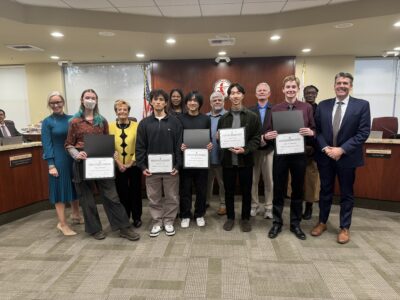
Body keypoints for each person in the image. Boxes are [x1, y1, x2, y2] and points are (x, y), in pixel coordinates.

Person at [64, 89, 140, 241]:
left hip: (103, 163)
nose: (90, 100)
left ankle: (123, 227)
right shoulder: (74, 121)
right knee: (87, 199)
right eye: (87, 97)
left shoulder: (102, 121)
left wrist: (112, 154)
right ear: (82, 100)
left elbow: (108, 142)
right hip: (82, 164)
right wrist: (76, 154)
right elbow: (68, 144)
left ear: (96, 101)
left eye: (93, 98)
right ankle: (95, 229)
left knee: (112, 196)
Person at [311, 72, 371, 244]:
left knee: (346, 193)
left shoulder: (361, 105)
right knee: (325, 191)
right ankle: (322, 222)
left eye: (345, 83)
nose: (342, 86)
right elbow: (318, 130)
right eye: (339, 83)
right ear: (334, 85)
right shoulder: (323, 105)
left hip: (347, 158)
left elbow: (363, 133)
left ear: (350, 86)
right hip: (326, 157)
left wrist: (342, 150)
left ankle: (344, 227)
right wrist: (325, 148)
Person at [267, 75, 315, 240]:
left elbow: (314, 129)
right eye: (287, 87)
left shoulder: (306, 108)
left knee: (297, 189)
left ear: (298, 88)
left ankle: (295, 223)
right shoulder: (275, 109)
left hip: (299, 155)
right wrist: (268, 135)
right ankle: (277, 222)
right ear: (283, 89)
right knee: (278, 189)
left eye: (293, 87)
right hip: (281, 154)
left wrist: (311, 132)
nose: (290, 89)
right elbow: (267, 131)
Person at [136, 89, 183, 237]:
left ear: (166, 102)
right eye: (155, 99)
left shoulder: (175, 122)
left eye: (162, 100)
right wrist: (142, 166)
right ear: (151, 102)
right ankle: (157, 222)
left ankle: (168, 221)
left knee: (172, 196)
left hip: (171, 169)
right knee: (153, 197)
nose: (158, 102)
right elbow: (140, 147)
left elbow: (179, 145)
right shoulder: (144, 123)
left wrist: (177, 165)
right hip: (151, 169)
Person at [217, 83, 261, 232]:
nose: (235, 96)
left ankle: (245, 218)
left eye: (238, 93)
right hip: (228, 161)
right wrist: (218, 138)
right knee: (228, 190)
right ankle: (230, 217)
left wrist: (245, 149)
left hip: (245, 161)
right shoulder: (223, 118)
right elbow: (221, 139)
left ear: (242, 95)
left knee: (246, 191)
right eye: (232, 93)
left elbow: (256, 138)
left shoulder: (252, 117)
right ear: (229, 97)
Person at [41, 91, 83, 236]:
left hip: (72, 157)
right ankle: (62, 224)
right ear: (49, 105)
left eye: (58, 102)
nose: (56, 105)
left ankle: (76, 215)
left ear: (63, 102)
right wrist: (51, 165)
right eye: (53, 103)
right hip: (58, 159)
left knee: (74, 186)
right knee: (59, 190)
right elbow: (47, 144)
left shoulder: (72, 118)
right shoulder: (47, 122)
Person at [178, 91, 212, 228]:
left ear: (199, 103)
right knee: (185, 189)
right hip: (186, 160)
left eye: (195, 100)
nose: (192, 103)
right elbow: (177, 137)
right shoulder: (180, 118)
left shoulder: (205, 119)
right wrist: (180, 144)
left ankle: (199, 214)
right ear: (186, 103)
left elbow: (207, 137)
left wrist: (209, 144)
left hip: (201, 160)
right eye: (190, 101)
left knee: (201, 189)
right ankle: (185, 215)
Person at [109, 99, 143, 228]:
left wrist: (132, 162)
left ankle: (137, 217)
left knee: (135, 191)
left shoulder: (137, 125)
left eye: (125, 109)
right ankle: (124, 217)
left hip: (134, 165)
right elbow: (109, 146)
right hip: (118, 166)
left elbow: (140, 145)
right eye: (119, 109)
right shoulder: (110, 126)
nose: (122, 111)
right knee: (121, 192)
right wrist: (118, 163)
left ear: (128, 111)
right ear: (116, 112)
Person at [249, 82, 274, 219]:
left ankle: (269, 207)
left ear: (269, 93)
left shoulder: (275, 109)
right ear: (256, 93)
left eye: (265, 90)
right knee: (253, 180)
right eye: (259, 90)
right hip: (254, 150)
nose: (262, 92)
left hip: (269, 149)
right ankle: (254, 206)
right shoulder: (249, 110)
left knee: (269, 179)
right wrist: (260, 138)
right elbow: (247, 131)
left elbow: (278, 128)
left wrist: (267, 138)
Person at [206, 91, 226, 215]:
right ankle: (206, 201)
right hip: (206, 157)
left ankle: (223, 204)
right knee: (206, 182)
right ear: (210, 103)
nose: (217, 102)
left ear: (223, 102)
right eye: (214, 100)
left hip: (221, 157)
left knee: (222, 183)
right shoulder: (204, 117)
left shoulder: (228, 116)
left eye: (219, 100)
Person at [302, 85, 320, 220]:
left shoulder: (321, 110)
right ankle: (296, 205)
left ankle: (309, 207)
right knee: (296, 181)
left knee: (311, 181)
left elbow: (322, 130)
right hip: (297, 149)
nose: (310, 95)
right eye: (307, 92)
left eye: (313, 93)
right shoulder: (299, 108)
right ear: (303, 94)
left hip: (313, 151)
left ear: (316, 94)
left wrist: (313, 146)